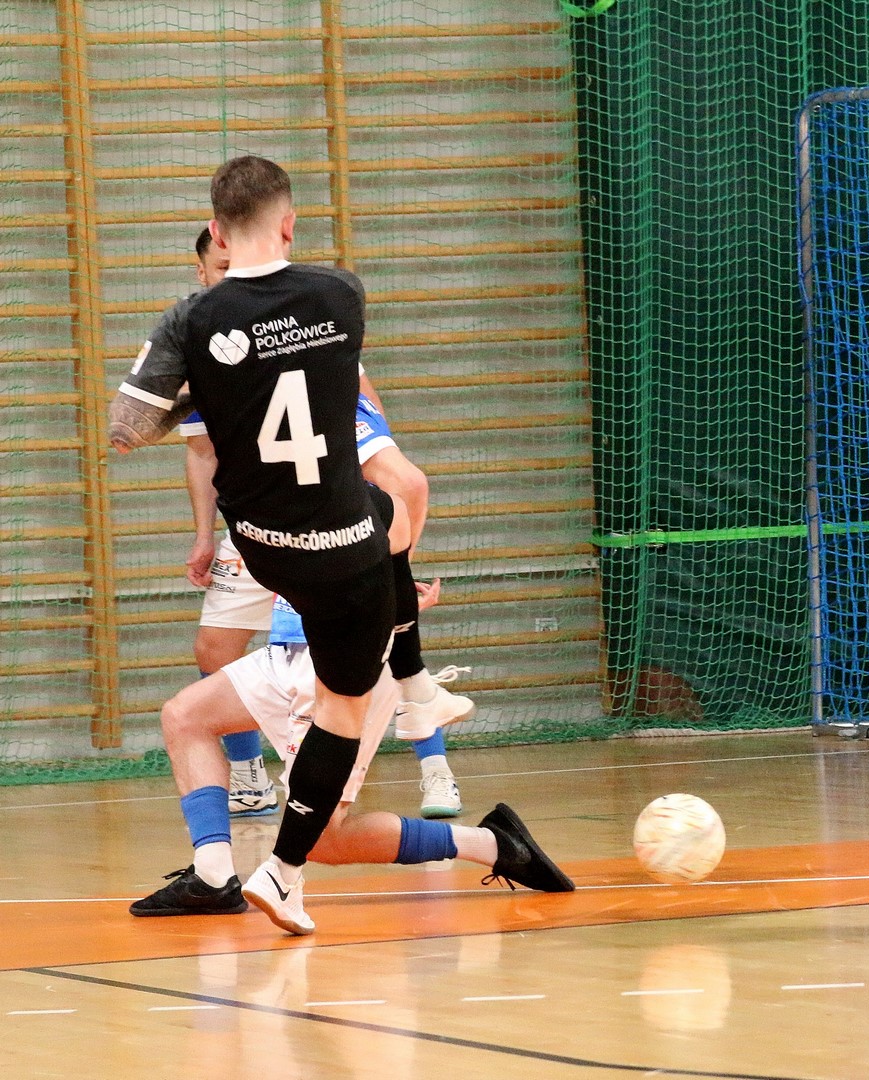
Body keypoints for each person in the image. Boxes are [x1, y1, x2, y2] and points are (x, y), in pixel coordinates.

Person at [110, 154, 403, 935]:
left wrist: (204, 386)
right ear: (290, 224)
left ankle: (228, 866)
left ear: (216, 232)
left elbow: (127, 430)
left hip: (264, 546)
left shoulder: (191, 319)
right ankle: (283, 871)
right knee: (345, 701)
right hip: (343, 547)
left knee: (373, 520)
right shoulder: (341, 293)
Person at [179, 227, 472, 821]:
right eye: (219, 268)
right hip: (258, 522)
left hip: (321, 522)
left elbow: (391, 455)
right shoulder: (200, 341)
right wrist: (205, 534)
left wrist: (392, 562)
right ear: (203, 273)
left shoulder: (305, 330)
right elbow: (202, 452)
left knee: (372, 639)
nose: (231, 274)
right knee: (214, 647)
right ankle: (250, 779)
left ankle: (435, 770)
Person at [128, 572, 573, 922]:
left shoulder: (366, 489)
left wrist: (396, 606)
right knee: (185, 717)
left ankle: (491, 844)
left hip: (346, 661)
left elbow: (400, 514)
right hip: (287, 647)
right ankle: (212, 877)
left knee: (322, 841)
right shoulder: (271, 496)